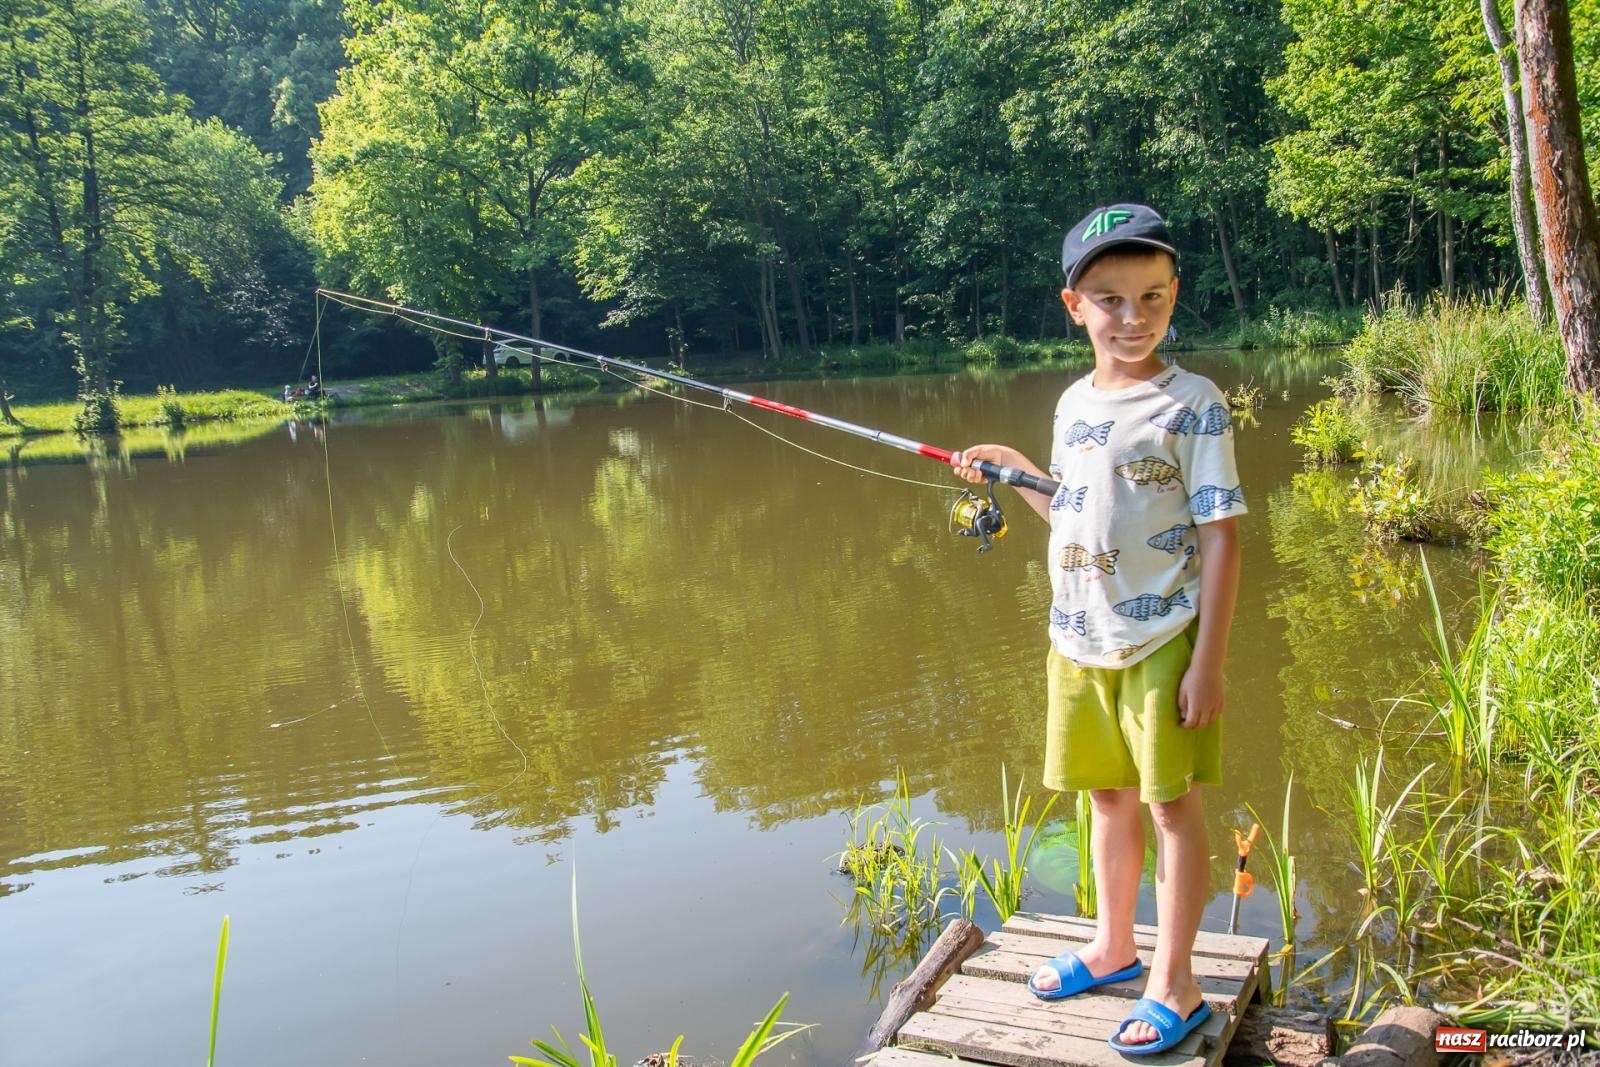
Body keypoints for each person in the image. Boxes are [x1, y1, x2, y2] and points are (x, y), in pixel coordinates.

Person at [952, 203, 1243, 1055]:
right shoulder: (1073, 399)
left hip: (1162, 643)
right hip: (1077, 639)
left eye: (1152, 296)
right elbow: (1072, 516)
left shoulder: (1193, 402)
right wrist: (1017, 469)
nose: (1133, 316)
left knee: (1170, 807)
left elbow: (1222, 535)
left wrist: (1210, 662)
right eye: (1109, 299)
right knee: (1108, 800)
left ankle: (1176, 981)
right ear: (1073, 305)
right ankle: (1115, 948)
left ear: (1174, 294)